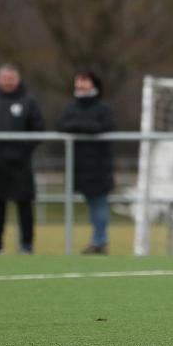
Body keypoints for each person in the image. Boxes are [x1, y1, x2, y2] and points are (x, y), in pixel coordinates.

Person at [0, 64, 44, 254]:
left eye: (11, 78)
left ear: (18, 79)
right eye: (4, 78)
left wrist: (23, 152)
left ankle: (26, 244)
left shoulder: (29, 101)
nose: (8, 81)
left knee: (24, 203)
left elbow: (38, 129)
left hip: (20, 164)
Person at [58, 71, 115, 255]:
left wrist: (80, 126)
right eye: (78, 81)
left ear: (93, 84)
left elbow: (103, 126)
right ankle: (97, 241)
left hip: (98, 166)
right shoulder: (71, 107)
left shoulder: (102, 108)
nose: (80, 84)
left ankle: (99, 241)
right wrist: (82, 126)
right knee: (92, 204)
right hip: (78, 165)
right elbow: (62, 125)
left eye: (84, 81)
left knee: (99, 203)